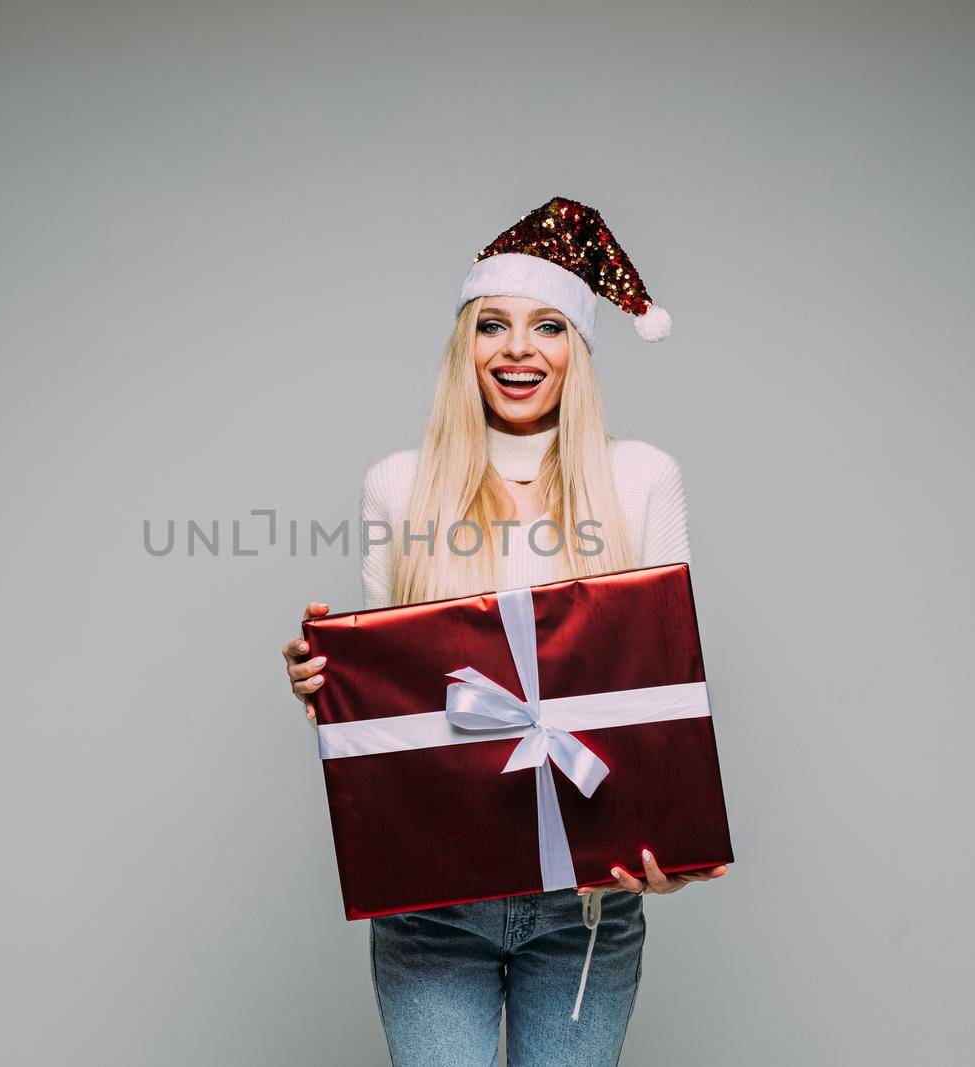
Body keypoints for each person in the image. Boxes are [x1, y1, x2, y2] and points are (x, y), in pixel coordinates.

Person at [281, 197, 728, 1065]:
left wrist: (676, 845)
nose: (519, 348)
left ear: (580, 351)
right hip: (432, 907)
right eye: (493, 325)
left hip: (586, 910)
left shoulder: (641, 478)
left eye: (549, 326)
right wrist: (325, 685)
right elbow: (396, 718)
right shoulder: (398, 487)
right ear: (466, 349)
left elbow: (667, 694)